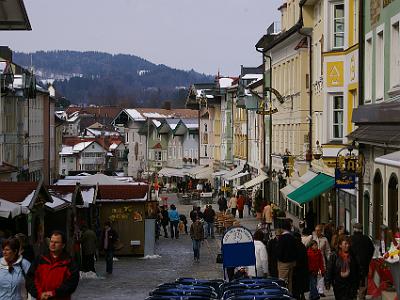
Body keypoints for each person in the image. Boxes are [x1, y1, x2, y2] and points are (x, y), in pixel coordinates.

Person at [26, 231, 79, 300]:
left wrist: (53, 293)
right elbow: (30, 278)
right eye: (51, 241)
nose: (53, 244)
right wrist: (39, 293)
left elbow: (71, 284)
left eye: (56, 242)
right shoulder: (40, 259)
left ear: (63, 245)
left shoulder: (69, 262)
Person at [325, 236, 360, 300]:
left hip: (350, 284)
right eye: (345, 244)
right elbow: (329, 269)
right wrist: (327, 282)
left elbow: (356, 269)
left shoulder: (352, 255)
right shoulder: (334, 255)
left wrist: (358, 283)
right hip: (339, 284)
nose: (348, 245)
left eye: (348, 243)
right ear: (340, 245)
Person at [350, 223, 375, 300]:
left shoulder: (350, 239)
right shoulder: (367, 239)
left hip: (352, 266)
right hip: (364, 266)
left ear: (354, 229)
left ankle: (353, 296)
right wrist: (367, 259)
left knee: (352, 284)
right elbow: (372, 249)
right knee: (362, 285)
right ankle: (361, 297)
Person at [276, 219, 297, 293]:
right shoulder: (292, 237)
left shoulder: (282, 238)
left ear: (282, 228)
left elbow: (279, 251)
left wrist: (279, 258)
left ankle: (282, 294)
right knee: (290, 280)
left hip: (283, 263)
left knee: (282, 280)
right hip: (292, 262)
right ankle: (289, 294)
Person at [313, 224, 331, 298]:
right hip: (313, 258)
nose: (317, 232)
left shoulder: (325, 239)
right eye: (316, 230)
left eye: (318, 230)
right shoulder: (313, 238)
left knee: (321, 275)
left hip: (321, 258)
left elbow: (327, 250)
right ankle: (315, 290)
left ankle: (320, 291)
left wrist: (329, 258)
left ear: (321, 231)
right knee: (314, 275)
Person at [292, 232, 309, 300]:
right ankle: (302, 295)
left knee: (296, 287)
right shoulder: (302, 246)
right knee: (301, 286)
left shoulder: (294, 246)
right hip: (303, 269)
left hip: (296, 269)